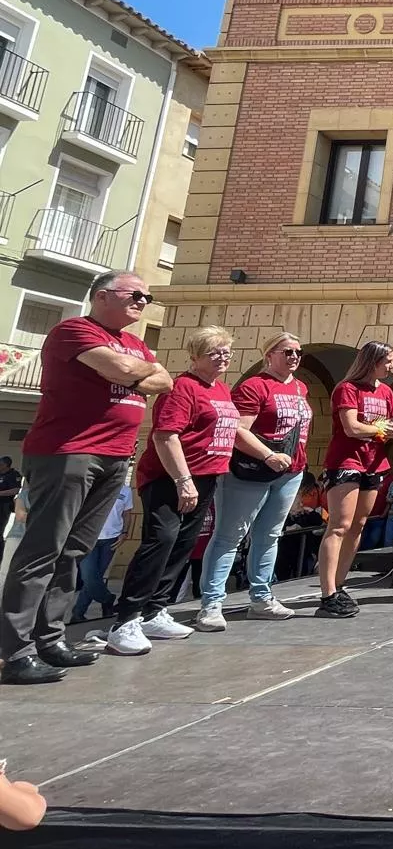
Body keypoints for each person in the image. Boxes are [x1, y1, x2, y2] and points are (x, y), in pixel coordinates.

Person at [1, 271, 171, 685]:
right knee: (43, 549)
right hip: (69, 453)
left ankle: (50, 639)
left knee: (74, 551)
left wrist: (135, 369)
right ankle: (13, 650)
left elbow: (163, 380)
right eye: (135, 294)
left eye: (146, 297)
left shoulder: (135, 342)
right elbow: (118, 370)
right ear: (101, 296)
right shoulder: (73, 330)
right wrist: (135, 371)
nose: (143, 301)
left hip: (115, 457)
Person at [106, 326, 240, 655]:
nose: (222, 357)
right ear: (194, 356)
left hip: (206, 477)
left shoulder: (221, 388)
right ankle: (125, 620)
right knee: (160, 540)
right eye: (214, 352)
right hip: (170, 477)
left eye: (226, 351)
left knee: (182, 544)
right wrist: (183, 481)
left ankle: (155, 611)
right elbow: (165, 436)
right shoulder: (182, 387)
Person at [193, 332, 313, 632]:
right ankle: (211, 603)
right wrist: (268, 454)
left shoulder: (301, 387)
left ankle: (261, 596)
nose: (294, 357)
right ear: (269, 354)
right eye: (287, 352)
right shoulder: (254, 386)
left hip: (290, 471)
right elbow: (237, 429)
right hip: (251, 471)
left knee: (270, 535)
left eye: (298, 352)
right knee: (230, 535)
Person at [317, 341, 393, 619]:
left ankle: (340, 584)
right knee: (339, 525)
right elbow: (351, 427)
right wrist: (381, 428)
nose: (392, 366)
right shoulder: (348, 389)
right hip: (346, 461)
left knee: (359, 524)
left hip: (373, 462)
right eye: (387, 361)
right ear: (372, 361)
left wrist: (390, 430)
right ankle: (327, 591)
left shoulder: (387, 392)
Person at [70, 483, 133, 624]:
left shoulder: (126, 491)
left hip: (111, 539)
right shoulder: (92, 485)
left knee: (96, 577)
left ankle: (78, 613)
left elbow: (127, 514)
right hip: (89, 538)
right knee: (89, 576)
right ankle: (107, 599)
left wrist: (125, 533)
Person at [0, 457, 19, 571]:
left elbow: (16, 490)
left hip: (4, 506)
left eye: (1, 464)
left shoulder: (13, 475)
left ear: (6, 465)